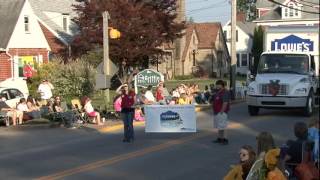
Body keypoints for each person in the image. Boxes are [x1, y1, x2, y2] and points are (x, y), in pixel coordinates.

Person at [212, 80, 231, 145]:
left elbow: (225, 103)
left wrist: (222, 111)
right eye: (216, 84)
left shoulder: (225, 92)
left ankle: (225, 139)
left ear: (222, 85)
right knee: (219, 126)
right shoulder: (218, 92)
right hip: (216, 112)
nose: (217, 86)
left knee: (223, 126)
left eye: (218, 84)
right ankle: (220, 138)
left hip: (221, 112)